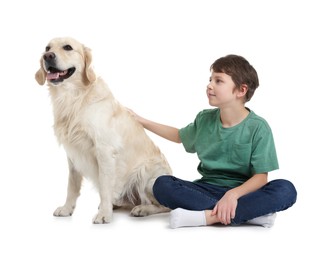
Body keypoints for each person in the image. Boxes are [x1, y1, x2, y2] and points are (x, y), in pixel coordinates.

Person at [130, 54, 297, 228]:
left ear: (241, 90)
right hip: (205, 189)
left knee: (286, 189)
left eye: (219, 81)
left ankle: (206, 217)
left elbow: (261, 177)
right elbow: (179, 136)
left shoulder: (258, 128)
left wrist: (232, 195)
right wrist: (142, 121)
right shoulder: (204, 119)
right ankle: (248, 216)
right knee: (162, 184)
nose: (209, 85)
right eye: (210, 80)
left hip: (243, 193)